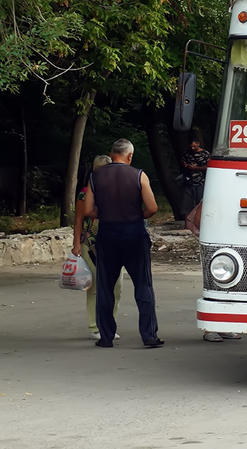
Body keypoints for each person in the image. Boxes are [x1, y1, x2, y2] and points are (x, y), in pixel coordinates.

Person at [81, 138, 164, 348]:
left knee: (105, 288)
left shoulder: (95, 177)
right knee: (143, 286)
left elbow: (89, 210)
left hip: (107, 237)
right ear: (129, 155)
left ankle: (106, 337)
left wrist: (108, 214)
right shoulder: (138, 175)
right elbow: (153, 208)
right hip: (135, 236)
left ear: (112, 153)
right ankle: (149, 336)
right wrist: (137, 215)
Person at [71, 155, 122, 340]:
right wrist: (76, 244)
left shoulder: (117, 190)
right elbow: (78, 220)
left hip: (114, 243)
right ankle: (94, 327)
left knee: (117, 286)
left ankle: (109, 325)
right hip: (90, 244)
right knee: (93, 285)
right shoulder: (85, 193)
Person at [181, 131, 210, 219]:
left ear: (198, 144)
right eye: (191, 146)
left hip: (201, 181)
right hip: (189, 181)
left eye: (194, 146)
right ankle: (187, 224)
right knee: (186, 203)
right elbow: (183, 162)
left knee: (199, 203)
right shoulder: (187, 153)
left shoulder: (205, 154)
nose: (193, 148)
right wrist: (186, 166)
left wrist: (196, 168)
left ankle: (199, 222)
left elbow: (208, 167)